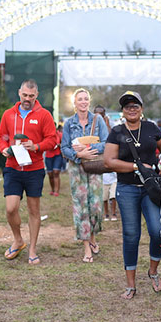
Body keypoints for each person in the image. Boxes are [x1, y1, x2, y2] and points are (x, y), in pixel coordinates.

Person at [104, 91, 161, 299]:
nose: (131, 109)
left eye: (135, 105)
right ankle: (130, 284)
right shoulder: (116, 132)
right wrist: (136, 166)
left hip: (150, 189)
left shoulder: (152, 128)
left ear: (142, 108)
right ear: (123, 111)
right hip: (127, 189)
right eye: (127, 106)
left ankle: (153, 271)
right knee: (131, 235)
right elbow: (109, 161)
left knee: (157, 230)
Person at [0, 79, 56, 265]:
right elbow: (1, 137)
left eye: (31, 96)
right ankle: (18, 240)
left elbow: (52, 139)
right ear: (19, 93)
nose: (27, 99)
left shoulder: (44, 115)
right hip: (12, 167)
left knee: (33, 210)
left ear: (36, 95)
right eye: (24, 95)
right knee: (10, 208)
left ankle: (32, 249)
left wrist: (36, 146)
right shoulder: (8, 114)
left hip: (35, 169)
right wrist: (4, 149)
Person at [61, 89, 108, 263]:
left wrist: (90, 151)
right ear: (74, 103)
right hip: (76, 168)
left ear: (89, 101)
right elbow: (64, 147)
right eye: (79, 99)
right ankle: (87, 247)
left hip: (94, 165)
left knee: (95, 206)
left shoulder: (98, 119)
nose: (83, 102)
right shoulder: (68, 124)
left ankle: (92, 236)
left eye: (85, 99)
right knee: (81, 206)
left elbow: (107, 141)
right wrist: (78, 155)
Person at [94, 105, 118, 221]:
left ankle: (113, 213)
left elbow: (110, 137)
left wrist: (106, 123)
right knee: (103, 193)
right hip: (99, 159)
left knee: (113, 192)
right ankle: (106, 213)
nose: (99, 117)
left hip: (111, 158)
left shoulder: (111, 124)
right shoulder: (92, 124)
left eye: (101, 114)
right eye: (96, 114)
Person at [44, 123, 63, 196]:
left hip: (57, 155)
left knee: (56, 172)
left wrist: (59, 145)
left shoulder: (59, 134)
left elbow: (64, 144)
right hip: (48, 155)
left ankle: (56, 191)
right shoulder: (46, 135)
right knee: (50, 173)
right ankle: (52, 189)